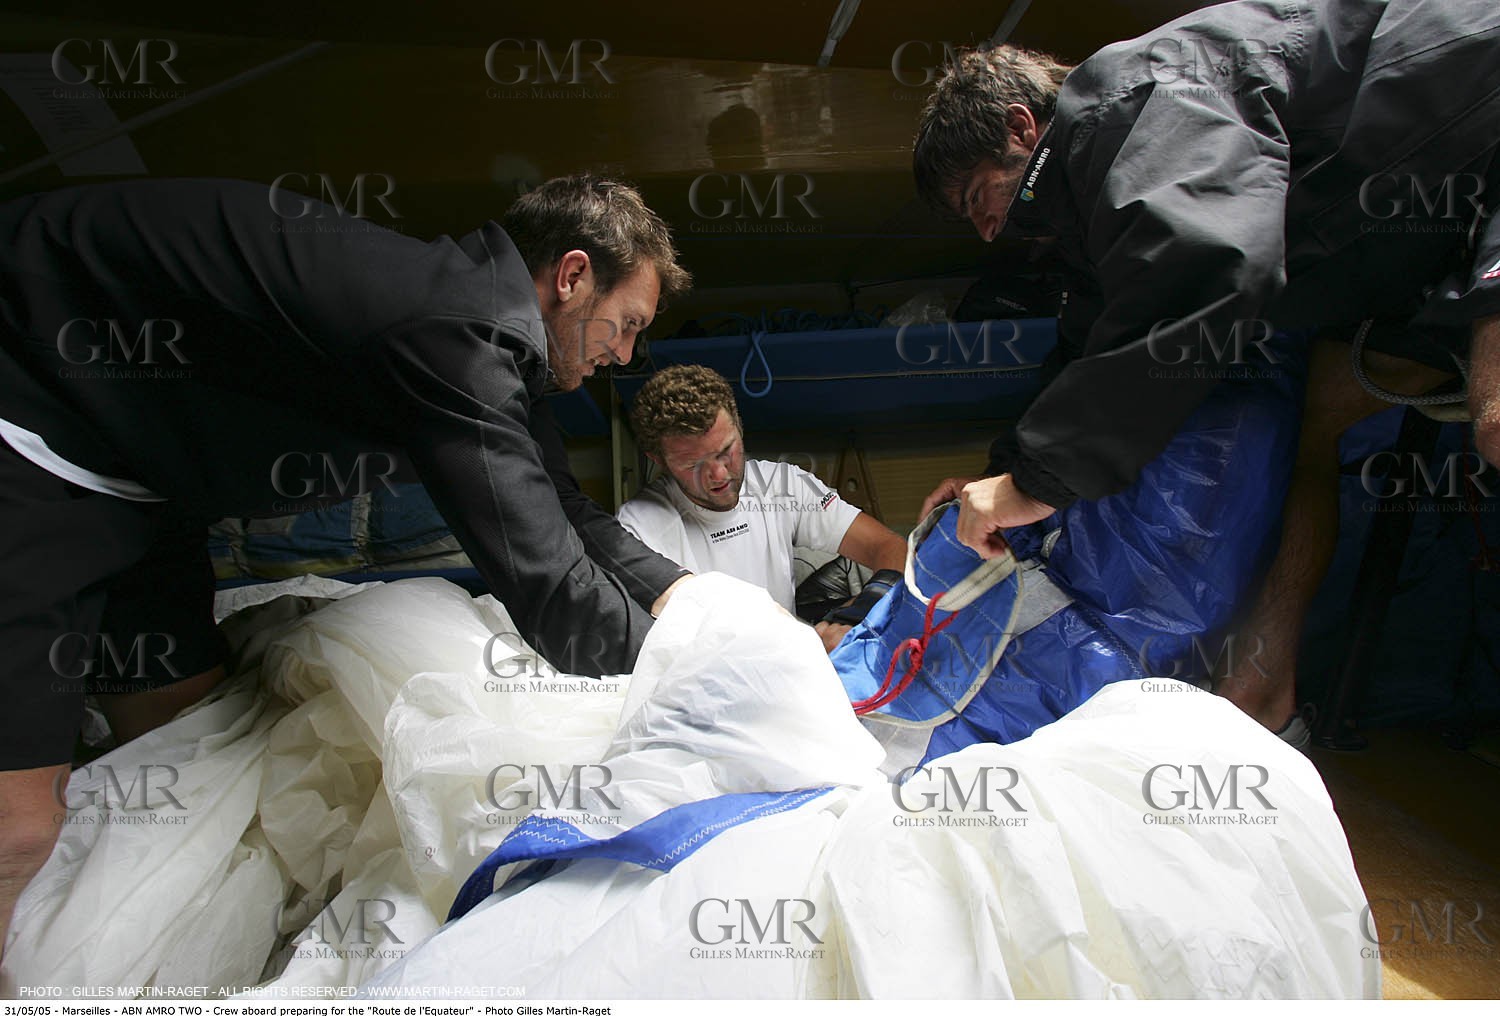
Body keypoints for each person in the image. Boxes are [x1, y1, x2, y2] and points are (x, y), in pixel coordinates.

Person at [0, 174, 696, 952]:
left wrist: (697, 604)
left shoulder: (495, 343)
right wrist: (707, 671)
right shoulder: (455, 331)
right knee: (20, 828)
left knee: (183, 750)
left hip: (144, 471)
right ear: (571, 277)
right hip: (29, 416)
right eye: (626, 323)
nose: (627, 353)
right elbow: (553, 600)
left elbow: (572, 515)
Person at [910, 0, 1500, 742]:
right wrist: (1001, 471)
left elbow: (1209, 272)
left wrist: (1034, 486)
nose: (988, 231)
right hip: (1426, 242)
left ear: (1022, 130)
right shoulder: (1097, 198)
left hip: (1483, 139)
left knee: (1496, 419)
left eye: (978, 201)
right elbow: (1092, 339)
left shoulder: (1136, 96)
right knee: (1312, 419)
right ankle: (1262, 698)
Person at [618, 364, 907, 650]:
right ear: (657, 459)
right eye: (693, 465)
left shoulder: (782, 485)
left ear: (739, 426)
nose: (719, 475)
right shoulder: (638, 527)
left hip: (790, 670)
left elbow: (888, 546)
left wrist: (864, 608)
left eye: (725, 451)